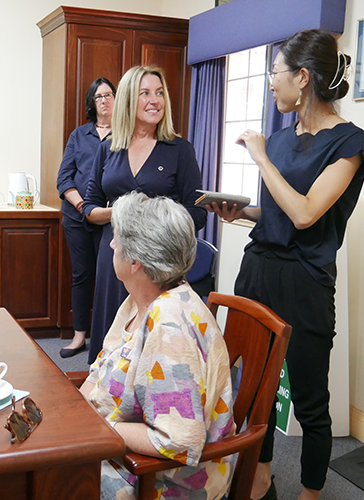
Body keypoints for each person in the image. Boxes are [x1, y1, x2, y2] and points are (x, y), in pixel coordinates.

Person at [208, 30, 364, 500]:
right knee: (253, 389)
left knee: (309, 400)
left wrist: (259, 159)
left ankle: (311, 493)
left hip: (305, 280)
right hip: (259, 268)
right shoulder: (280, 140)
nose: (270, 83)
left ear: (303, 78)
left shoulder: (349, 142)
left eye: (275, 73)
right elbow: (279, 210)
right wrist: (241, 212)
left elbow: (305, 213)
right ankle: (261, 480)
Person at [81, 192, 234, 500]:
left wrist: (96, 427)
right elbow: (101, 370)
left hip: (159, 479)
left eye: (117, 238)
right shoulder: (139, 299)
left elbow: (180, 441)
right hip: (119, 445)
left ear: (135, 260)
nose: (111, 244)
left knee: (37, 476)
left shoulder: (170, 326)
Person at [83, 65, 206, 364]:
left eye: (160, 93)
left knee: (154, 353)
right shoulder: (109, 147)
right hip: (114, 253)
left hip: (158, 264)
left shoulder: (179, 149)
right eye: (145, 93)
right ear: (128, 99)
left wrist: (151, 221)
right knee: (111, 344)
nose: (155, 100)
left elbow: (197, 213)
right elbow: (89, 206)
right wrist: (118, 214)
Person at [55, 77, 116, 358]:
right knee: (82, 276)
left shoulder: (127, 136)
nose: (104, 101)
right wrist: (84, 208)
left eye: (109, 95)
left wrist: (102, 213)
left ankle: (108, 338)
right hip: (78, 217)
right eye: (98, 97)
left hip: (112, 221)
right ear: (92, 103)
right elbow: (64, 178)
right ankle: (79, 336)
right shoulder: (79, 136)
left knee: (110, 277)